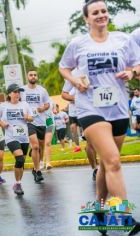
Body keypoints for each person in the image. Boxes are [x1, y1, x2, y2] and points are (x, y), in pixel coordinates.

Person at [59, 0, 140, 234]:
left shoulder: (123, 40)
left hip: (117, 109)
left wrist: (132, 71)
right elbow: (64, 67)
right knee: (114, 160)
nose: (101, 15)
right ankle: (124, 216)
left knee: (106, 162)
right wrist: (74, 81)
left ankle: (99, 210)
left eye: (104, 11)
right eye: (95, 12)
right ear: (86, 19)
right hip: (89, 108)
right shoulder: (78, 44)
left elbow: (138, 64)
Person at [0, 84, 33, 195]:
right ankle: (18, 183)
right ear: (10, 93)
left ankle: (18, 184)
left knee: (22, 163)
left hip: (24, 138)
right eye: (15, 92)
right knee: (20, 159)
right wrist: (3, 124)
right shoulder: (3, 106)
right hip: (11, 137)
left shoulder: (24, 104)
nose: (17, 94)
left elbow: (31, 118)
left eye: (19, 92)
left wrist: (27, 117)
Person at [62, 79, 99, 181]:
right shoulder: (71, 78)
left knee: (92, 142)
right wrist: (77, 99)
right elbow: (64, 95)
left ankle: (100, 166)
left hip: (93, 111)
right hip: (75, 113)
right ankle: (95, 168)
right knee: (77, 131)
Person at [21, 70, 51, 183]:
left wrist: (43, 108)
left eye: (35, 75)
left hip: (41, 121)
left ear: (37, 77)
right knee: (36, 147)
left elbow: (47, 103)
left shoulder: (42, 90)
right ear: (27, 76)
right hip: (28, 122)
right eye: (30, 75)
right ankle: (38, 171)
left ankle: (35, 168)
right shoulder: (22, 90)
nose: (33, 77)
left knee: (41, 147)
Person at [42, 101, 56, 170]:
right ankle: (41, 161)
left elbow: (54, 109)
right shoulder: (36, 99)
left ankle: (48, 163)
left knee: (47, 142)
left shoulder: (51, 100)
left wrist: (54, 110)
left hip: (49, 122)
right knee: (41, 144)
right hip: (39, 123)